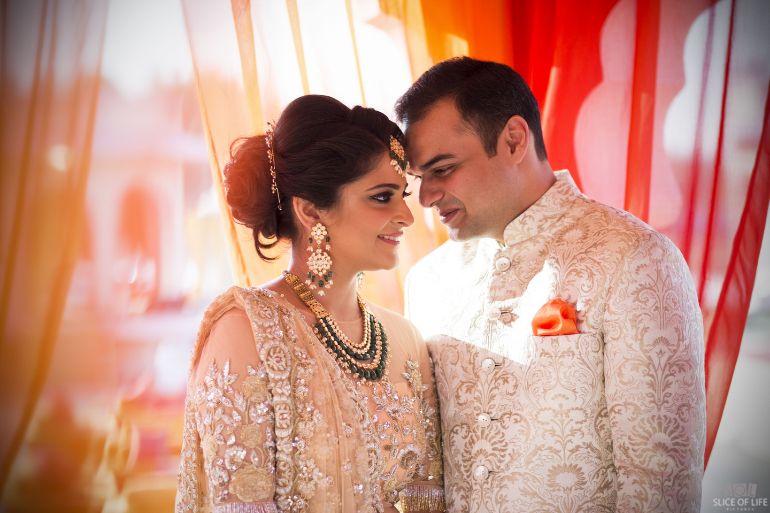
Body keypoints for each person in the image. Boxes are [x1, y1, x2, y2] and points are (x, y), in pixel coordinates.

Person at [396, 57, 705, 512]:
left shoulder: (634, 257)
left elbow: (659, 486)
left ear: (514, 140)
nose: (425, 197)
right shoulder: (427, 281)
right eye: (419, 178)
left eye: (442, 169)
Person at [175, 95, 444, 513]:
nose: (407, 217)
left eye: (403, 195)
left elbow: (426, 500)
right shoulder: (245, 331)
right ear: (311, 212)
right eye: (381, 197)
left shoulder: (404, 339)